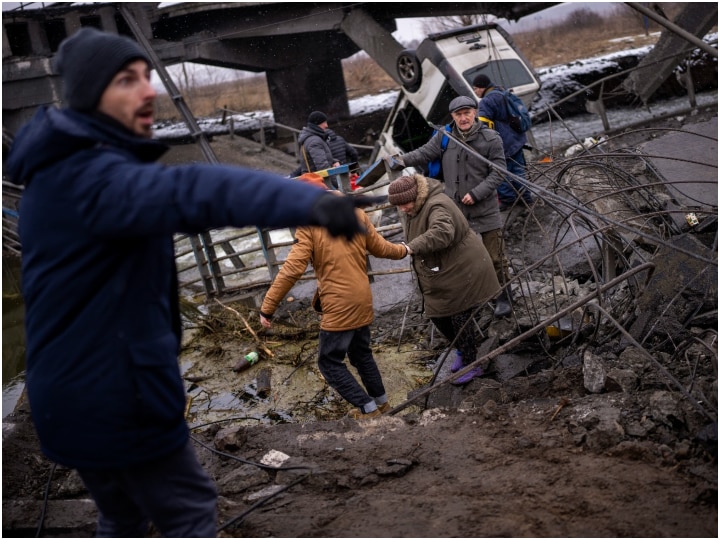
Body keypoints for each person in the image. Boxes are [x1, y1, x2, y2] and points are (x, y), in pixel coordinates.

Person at [4, 28, 376, 538]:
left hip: (65, 401)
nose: (148, 90)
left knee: (122, 517)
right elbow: (192, 189)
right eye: (127, 80)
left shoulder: (53, 173)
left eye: (147, 76)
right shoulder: (94, 178)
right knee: (189, 511)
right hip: (117, 397)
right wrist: (310, 203)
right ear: (91, 94)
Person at [259, 172, 408, 418]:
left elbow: (292, 269)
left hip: (340, 304)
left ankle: (368, 411)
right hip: (362, 298)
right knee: (362, 355)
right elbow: (381, 248)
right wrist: (404, 250)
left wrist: (268, 307)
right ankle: (383, 405)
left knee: (328, 362)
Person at [385, 95, 513, 318]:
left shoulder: (491, 139)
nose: (463, 118)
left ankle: (504, 296)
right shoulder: (444, 136)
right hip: (457, 211)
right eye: (458, 114)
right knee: (464, 258)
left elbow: (499, 170)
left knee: (495, 257)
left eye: (467, 113)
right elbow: (425, 153)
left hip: (486, 209)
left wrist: (477, 192)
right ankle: (474, 297)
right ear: (453, 116)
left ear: (475, 113)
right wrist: (402, 160)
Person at [387, 173, 500, 384]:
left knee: (458, 314)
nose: (402, 209)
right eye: (398, 206)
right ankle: (461, 351)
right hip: (448, 268)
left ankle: (472, 363)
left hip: (465, 267)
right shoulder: (418, 206)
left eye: (404, 204)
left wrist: (410, 247)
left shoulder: (437, 205)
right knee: (439, 315)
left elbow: (442, 232)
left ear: (415, 195)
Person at [472, 74, 535, 211]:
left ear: (482, 87)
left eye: (475, 88)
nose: (475, 92)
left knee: (499, 172)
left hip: (502, 142)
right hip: (515, 139)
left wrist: (483, 142)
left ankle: (508, 200)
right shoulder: (501, 92)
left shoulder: (486, 102)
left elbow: (484, 125)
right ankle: (526, 197)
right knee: (518, 170)